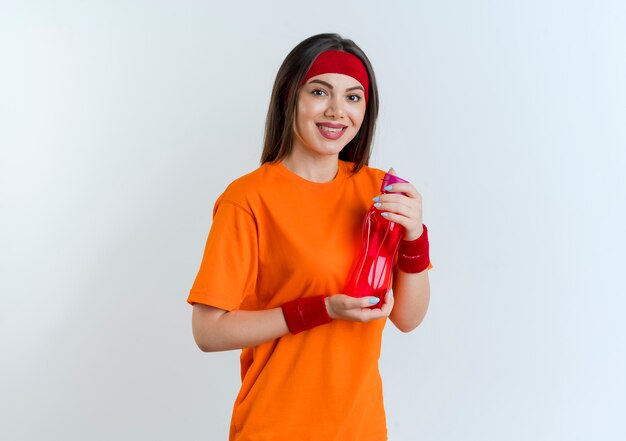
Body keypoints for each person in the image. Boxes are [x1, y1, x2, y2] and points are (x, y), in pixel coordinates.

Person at [187, 33, 432, 441]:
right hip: (275, 427)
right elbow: (208, 332)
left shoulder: (380, 193)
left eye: (353, 97)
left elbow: (408, 318)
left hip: (362, 427)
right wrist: (321, 310)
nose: (337, 111)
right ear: (289, 97)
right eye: (320, 92)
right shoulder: (248, 199)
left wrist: (415, 238)